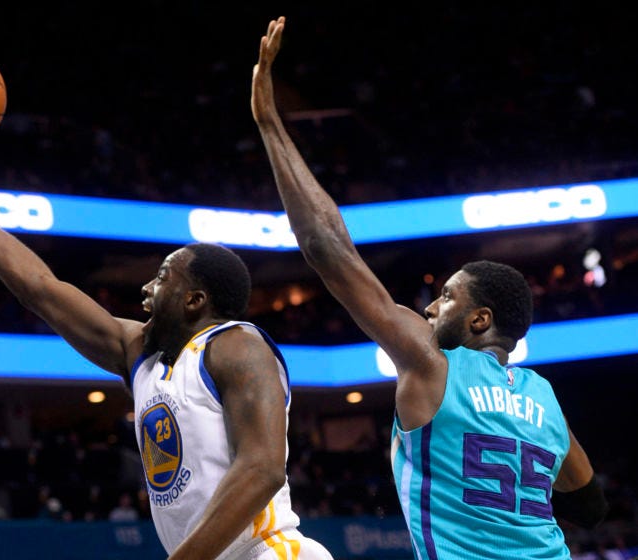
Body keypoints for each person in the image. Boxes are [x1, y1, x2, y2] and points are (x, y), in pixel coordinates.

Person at [251, 16, 609, 559]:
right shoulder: (544, 398)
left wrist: (270, 123)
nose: (430, 307)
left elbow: (328, 248)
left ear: (480, 319)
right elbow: (590, 506)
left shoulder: (432, 363)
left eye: (446, 296)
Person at [0, 123, 332, 560]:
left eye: (162, 277)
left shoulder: (237, 345)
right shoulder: (139, 353)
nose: (146, 288)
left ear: (194, 300)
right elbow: (39, 288)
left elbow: (262, 469)